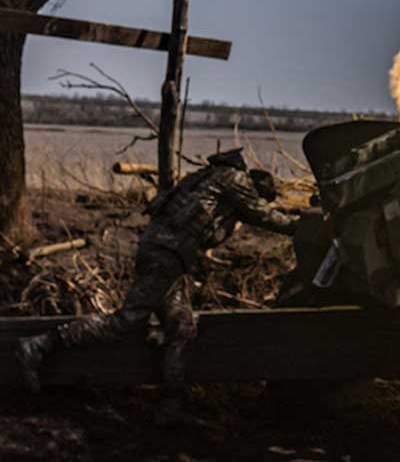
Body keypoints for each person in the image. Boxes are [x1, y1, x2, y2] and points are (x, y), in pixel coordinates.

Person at [16, 148, 298, 393]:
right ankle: (40, 345)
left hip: (166, 255)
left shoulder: (207, 177)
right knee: (126, 320)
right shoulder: (236, 180)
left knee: (181, 327)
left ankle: (171, 404)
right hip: (166, 256)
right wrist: (300, 226)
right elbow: (264, 215)